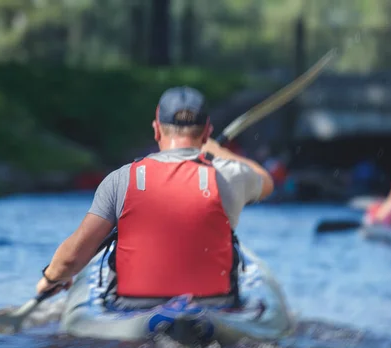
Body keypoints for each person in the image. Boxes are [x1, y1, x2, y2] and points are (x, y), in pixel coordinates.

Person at [35, 87, 275, 309]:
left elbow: (72, 258)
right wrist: (217, 150)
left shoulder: (120, 180)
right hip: (213, 308)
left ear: (157, 128)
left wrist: (51, 278)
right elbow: (266, 181)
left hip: (133, 311)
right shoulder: (231, 175)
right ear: (208, 131)